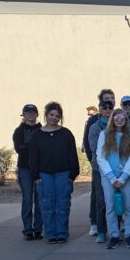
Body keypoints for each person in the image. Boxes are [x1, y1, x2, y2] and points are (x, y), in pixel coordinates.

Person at [29, 102, 79, 243]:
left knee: (63, 204)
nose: (54, 118)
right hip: (44, 175)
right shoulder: (37, 135)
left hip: (63, 173)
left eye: (57, 116)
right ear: (46, 115)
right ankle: (50, 234)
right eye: (51, 115)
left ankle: (62, 233)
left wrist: (72, 175)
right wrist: (36, 176)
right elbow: (33, 158)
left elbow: (72, 155)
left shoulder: (66, 134)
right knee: (47, 204)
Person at [97, 108, 130, 249]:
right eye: (116, 118)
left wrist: (123, 178)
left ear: (126, 120)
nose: (119, 120)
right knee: (110, 207)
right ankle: (114, 235)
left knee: (128, 206)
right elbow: (100, 157)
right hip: (109, 177)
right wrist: (112, 178)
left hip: (126, 177)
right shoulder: (104, 135)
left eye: (122, 118)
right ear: (112, 119)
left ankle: (129, 235)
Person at [83, 89, 114, 236]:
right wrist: (94, 161)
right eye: (104, 106)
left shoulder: (119, 122)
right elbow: (94, 148)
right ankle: (98, 226)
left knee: (115, 198)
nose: (107, 109)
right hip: (99, 167)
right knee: (100, 198)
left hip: (116, 167)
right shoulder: (94, 125)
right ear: (99, 108)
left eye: (110, 106)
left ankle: (114, 227)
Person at [13, 104, 42, 240]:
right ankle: (27, 229)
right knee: (27, 200)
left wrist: (31, 148)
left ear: (37, 114)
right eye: (28, 112)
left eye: (33, 112)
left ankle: (38, 228)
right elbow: (20, 149)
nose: (31, 114)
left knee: (40, 199)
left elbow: (44, 149)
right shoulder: (19, 131)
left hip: (40, 169)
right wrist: (34, 149)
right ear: (23, 115)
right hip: (25, 168)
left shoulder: (42, 130)